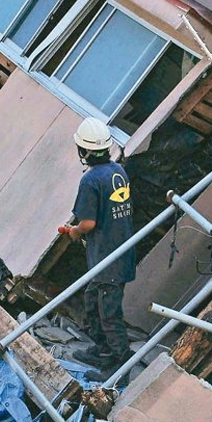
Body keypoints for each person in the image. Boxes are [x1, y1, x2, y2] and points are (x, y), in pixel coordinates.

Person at [60, 117, 136, 382]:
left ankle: (120, 367)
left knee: (109, 314)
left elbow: (89, 223)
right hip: (119, 252)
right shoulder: (118, 171)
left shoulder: (90, 180)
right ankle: (103, 350)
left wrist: (74, 231)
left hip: (107, 259)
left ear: (83, 150)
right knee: (92, 301)